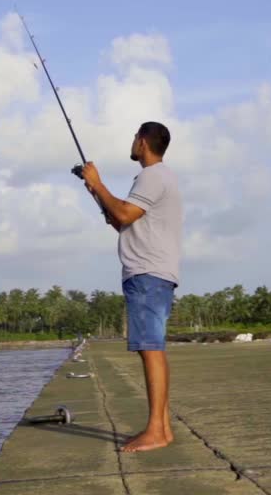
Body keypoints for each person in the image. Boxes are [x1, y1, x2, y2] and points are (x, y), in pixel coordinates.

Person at [81, 121, 182, 453]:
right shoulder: (161, 178)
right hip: (154, 272)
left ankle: (155, 430)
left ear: (142, 141)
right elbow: (123, 222)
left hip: (147, 273)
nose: (132, 143)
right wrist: (98, 193)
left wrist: (99, 182)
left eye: (134, 138)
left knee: (150, 347)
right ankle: (163, 429)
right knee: (152, 347)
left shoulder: (153, 176)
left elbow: (124, 214)